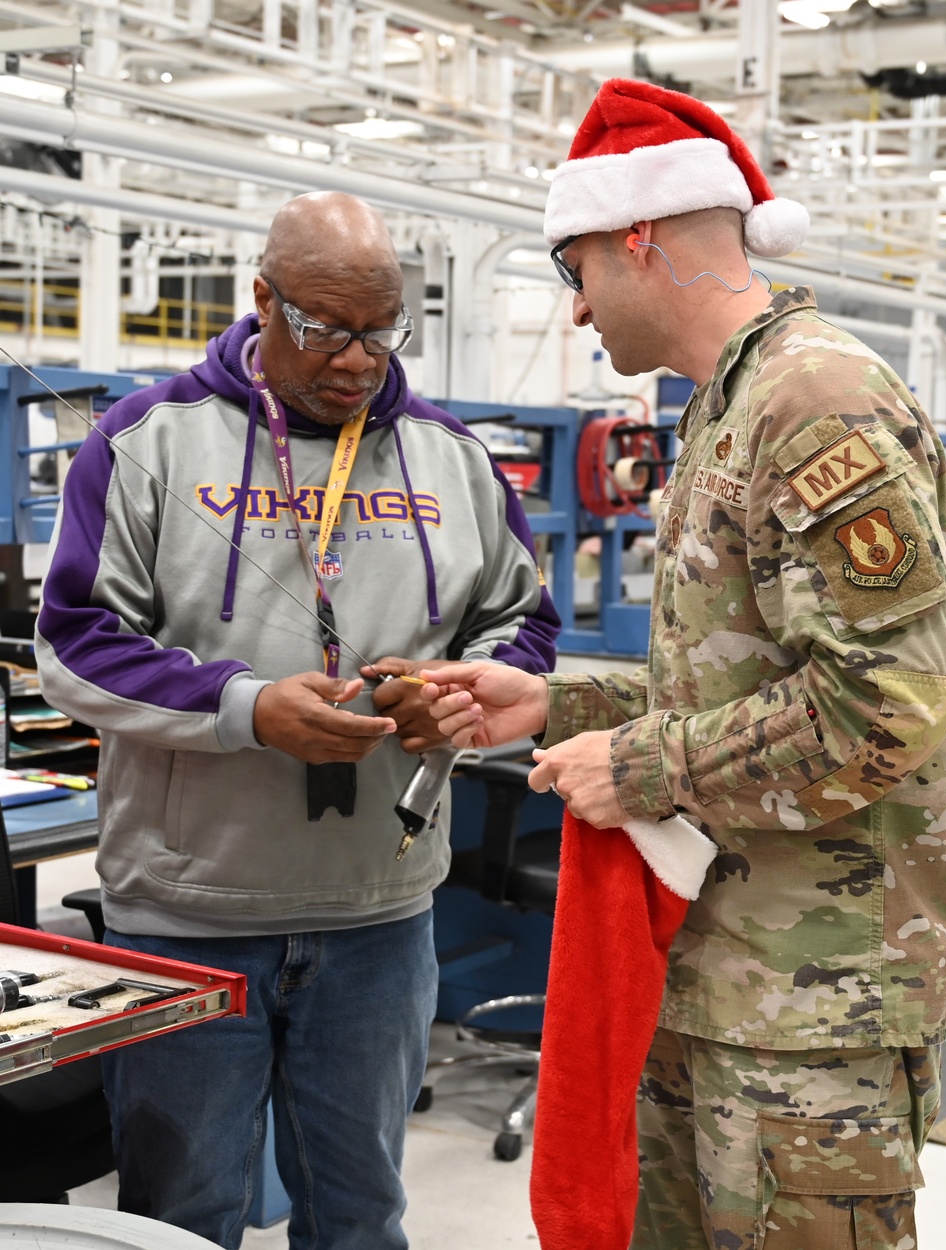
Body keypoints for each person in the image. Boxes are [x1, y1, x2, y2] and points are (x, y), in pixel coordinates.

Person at [420, 80, 946, 1250]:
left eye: (573, 273)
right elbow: (737, 676)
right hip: (725, 974)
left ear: (637, 239)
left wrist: (643, 763)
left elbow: (887, 702)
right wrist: (554, 697)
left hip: (812, 1004)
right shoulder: (724, 408)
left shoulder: (813, 400)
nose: (573, 313)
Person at [34, 190, 559, 1250]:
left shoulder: (452, 460)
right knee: (180, 1217)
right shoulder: (149, 441)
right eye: (325, 328)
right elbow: (76, 640)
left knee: (362, 1215)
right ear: (261, 300)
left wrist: (457, 695)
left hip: (380, 913)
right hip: (189, 914)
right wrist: (244, 710)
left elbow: (526, 626)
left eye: (380, 329)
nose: (358, 360)